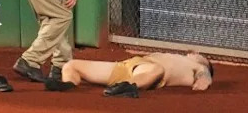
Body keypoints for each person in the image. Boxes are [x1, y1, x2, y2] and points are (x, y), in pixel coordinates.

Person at [44, 51, 215, 97]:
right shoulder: (178, 57)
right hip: (129, 66)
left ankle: (129, 87)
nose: (196, 52)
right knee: (72, 65)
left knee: (157, 69)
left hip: (151, 72)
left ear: (203, 61)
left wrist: (203, 81)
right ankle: (68, 83)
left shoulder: (197, 65)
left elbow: (205, 77)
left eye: (201, 55)